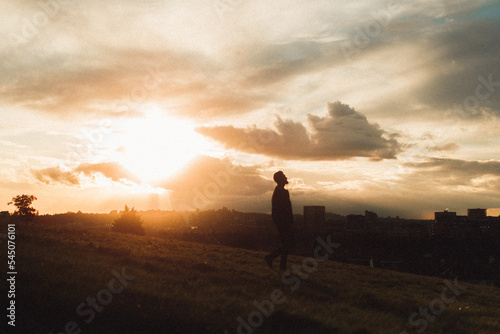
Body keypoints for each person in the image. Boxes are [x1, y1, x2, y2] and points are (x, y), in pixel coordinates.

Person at [265, 171, 295, 271]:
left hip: (284, 223)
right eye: (283, 176)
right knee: (287, 244)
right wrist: (282, 224)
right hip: (283, 223)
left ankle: (281, 265)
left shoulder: (281, 191)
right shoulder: (279, 192)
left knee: (287, 244)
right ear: (280, 179)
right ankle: (272, 259)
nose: (286, 177)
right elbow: (279, 210)